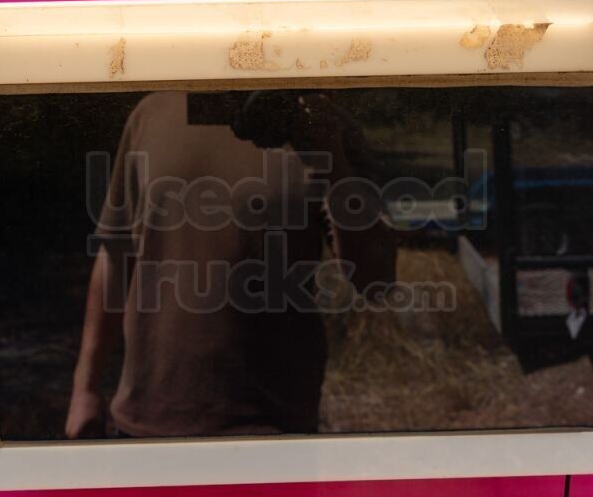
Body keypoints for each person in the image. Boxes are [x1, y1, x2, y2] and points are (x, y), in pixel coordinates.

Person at [65, 90, 395, 438]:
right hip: (146, 419)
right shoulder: (153, 112)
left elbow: (376, 280)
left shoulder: (325, 124)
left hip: (274, 427)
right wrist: (85, 387)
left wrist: (335, 164)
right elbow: (116, 252)